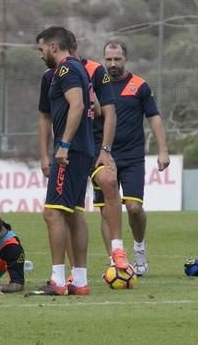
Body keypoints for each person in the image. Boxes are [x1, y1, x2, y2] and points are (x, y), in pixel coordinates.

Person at [32, 26, 94, 296]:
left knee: (53, 212)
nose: (40, 55)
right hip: (82, 150)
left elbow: (78, 105)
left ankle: (58, 280)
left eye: (41, 49)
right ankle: (79, 281)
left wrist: (64, 144)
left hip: (72, 150)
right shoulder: (67, 70)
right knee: (73, 213)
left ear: (53, 47)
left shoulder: (67, 69)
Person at [100, 39, 170, 276]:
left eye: (117, 59)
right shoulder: (97, 85)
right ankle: (115, 260)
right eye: (108, 59)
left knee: (134, 208)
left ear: (125, 59)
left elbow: (155, 118)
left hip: (132, 157)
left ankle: (139, 247)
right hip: (103, 157)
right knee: (106, 211)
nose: (112, 63)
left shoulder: (140, 86)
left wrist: (163, 150)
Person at [65, 32, 128, 271]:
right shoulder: (53, 74)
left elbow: (108, 112)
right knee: (70, 209)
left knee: (109, 182)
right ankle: (75, 272)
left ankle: (117, 250)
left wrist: (105, 149)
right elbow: (49, 116)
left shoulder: (95, 70)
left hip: (95, 146)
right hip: (70, 149)